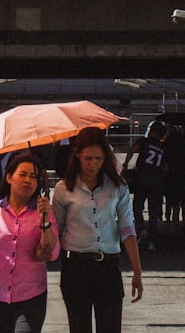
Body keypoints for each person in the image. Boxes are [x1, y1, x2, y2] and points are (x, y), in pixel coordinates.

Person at [53, 126, 143, 333]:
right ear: (77, 156)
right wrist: (43, 221)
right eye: (88, 158)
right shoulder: (63, 189)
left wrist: (137, 272)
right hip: (75, 268)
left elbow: (127, 229)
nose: (93, 164)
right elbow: (56, 231)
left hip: (108, 267)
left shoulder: (118, 187)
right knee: (79, 328)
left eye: (98, 158)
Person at [0, 151, 60, 333]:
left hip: (31, 295)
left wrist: (45, 221)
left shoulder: (44, 212)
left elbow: (53, 252)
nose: (27, 180)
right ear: (9, 177)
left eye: (33, 177)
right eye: (22, 175)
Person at [121, 120, 167, 249]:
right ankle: (152, 237)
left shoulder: (144, 141)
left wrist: (125, 166)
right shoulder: (163, 148)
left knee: (137, 206)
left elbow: (132, 150)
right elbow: (166, 169)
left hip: (142, 178)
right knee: (154, 210)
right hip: (156, 180)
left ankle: (141, 230)